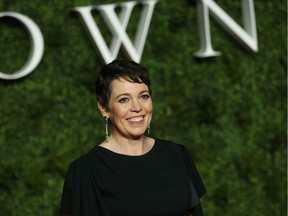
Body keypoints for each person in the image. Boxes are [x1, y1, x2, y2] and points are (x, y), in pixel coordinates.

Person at [60, 59, 206, 216]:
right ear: (104, 108)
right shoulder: (86, 171)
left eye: (143, 96)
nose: (137, 108)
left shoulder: (177, 154)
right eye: (124, 99)